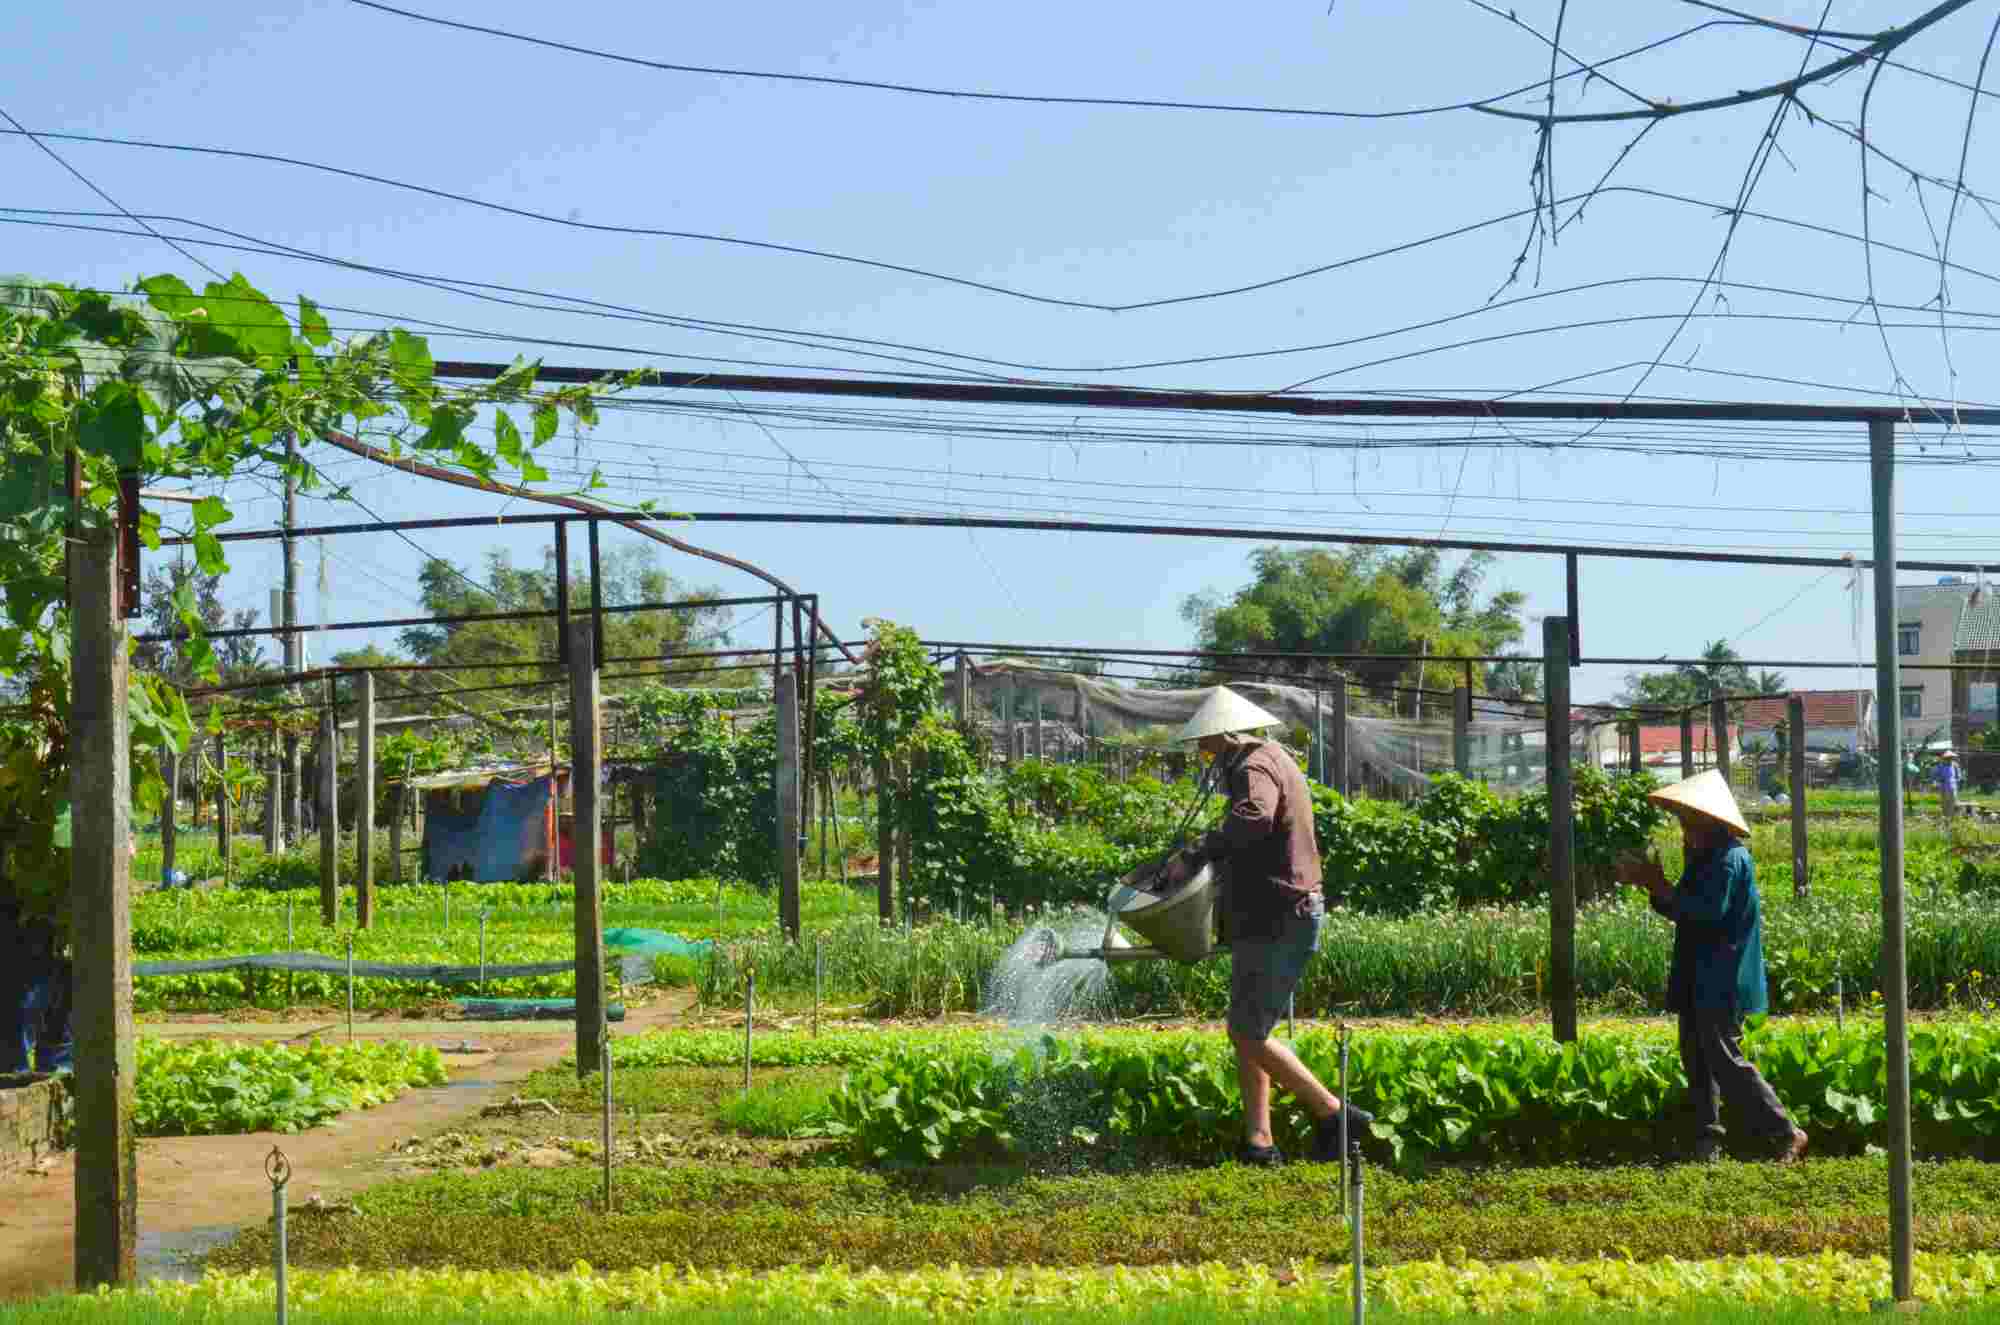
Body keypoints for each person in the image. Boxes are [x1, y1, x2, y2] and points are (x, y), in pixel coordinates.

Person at [1176, 686, 1370, 1167]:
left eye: (1206, 743)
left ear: (1225, 736)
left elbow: (1256, 817)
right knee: (1249, 1027)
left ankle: (1335, 1115)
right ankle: (1259, 1142)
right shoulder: (1273, 756)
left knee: (1247, 1032)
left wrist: (1206, 846)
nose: (1203, 753)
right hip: (1266, 913)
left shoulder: (1252, 765)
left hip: (1281, 914)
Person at [1620, 771, 1807, 1164]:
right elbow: (1681, 908)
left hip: (1721, 978)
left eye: (1689, 821)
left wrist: (1658, 886)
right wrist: (1657, 889)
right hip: (1699, 976)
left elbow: (1706, 913)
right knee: (1697, 1056)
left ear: (1709, 821)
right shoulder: (1706, 858)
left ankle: (1784, 1130)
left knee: (1723, 1058)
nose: (1683, 829)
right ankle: (1707, 1141)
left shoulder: (1725, 861)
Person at [1935, 749, 1961, 823]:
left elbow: (1959, 776)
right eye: (1948, 758)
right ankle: (1945, 819)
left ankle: (1952, 818)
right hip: (1943, 786)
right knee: (1944, 803)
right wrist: (1940, 780)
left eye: (1951, 758)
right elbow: (1935, 776)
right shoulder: (1940, 766)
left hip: (1953, 786)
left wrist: (1955, 780)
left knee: (1953, 802)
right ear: (1944, 758)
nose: (1949, 759)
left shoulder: (1955, 765)